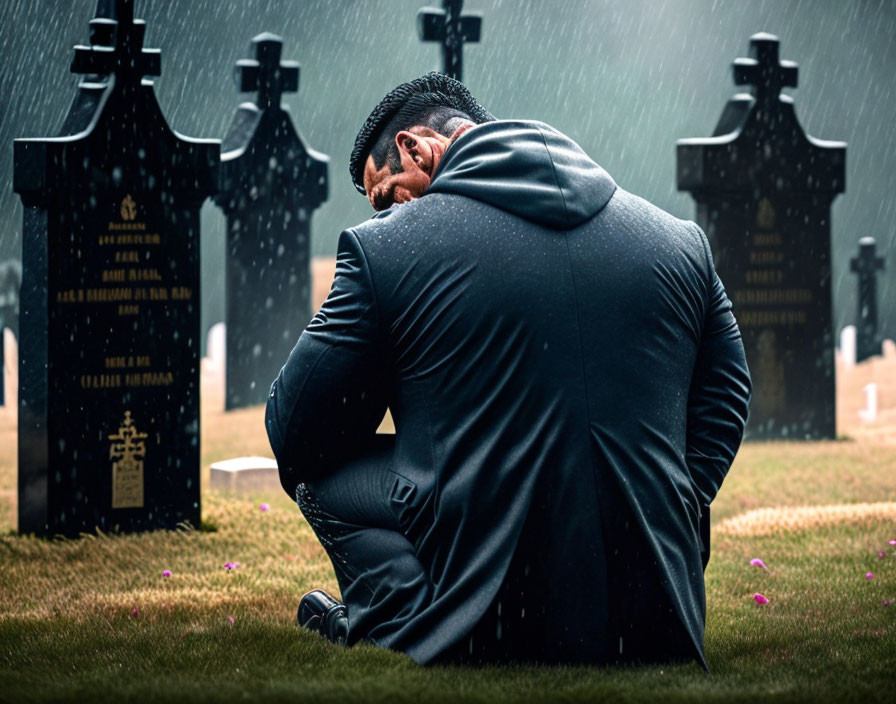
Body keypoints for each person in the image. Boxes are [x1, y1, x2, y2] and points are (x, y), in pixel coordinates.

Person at [265, 72, 751, 668]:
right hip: (651, 613)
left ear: (416, 149)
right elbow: (726, 399)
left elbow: (293, 430)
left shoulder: (386, 250)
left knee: (319, 474)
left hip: (495, 614)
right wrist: (664, 506)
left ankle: (408, 623)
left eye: (385, 194)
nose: (387, 214)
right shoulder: (679, 243)